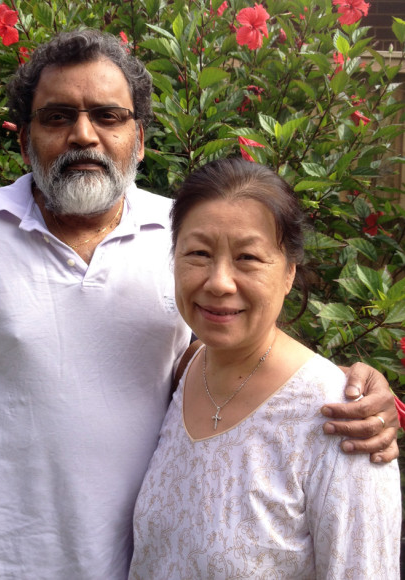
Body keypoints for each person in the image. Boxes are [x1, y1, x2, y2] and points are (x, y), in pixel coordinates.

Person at [0, 29, 398, 580]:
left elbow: (224, 354)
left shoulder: (185, 235)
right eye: (57, 117)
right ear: (25, 141)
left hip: (147, 561)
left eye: (108, 116)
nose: (84, 135)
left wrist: (342, 388)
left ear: (138, 138)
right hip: (6, 562)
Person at [129, 157, 401, 579]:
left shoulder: (343, 422)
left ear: (290, 272)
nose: (219, 281)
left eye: (248, 258)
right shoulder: (185, 370)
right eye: (198, 253)